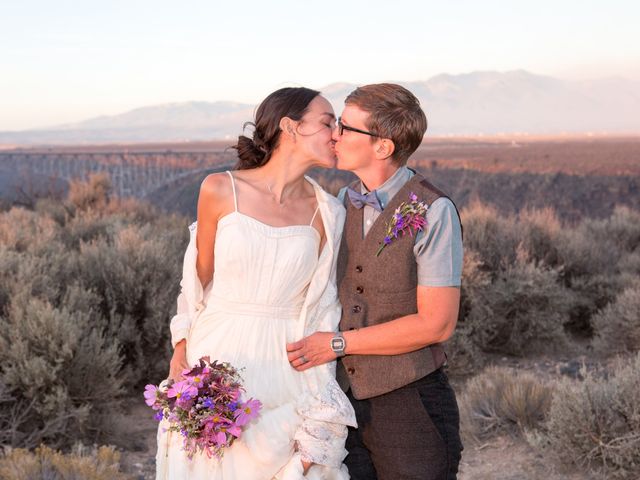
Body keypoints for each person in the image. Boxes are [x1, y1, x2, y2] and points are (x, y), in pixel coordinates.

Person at [155, 87, 356, 480]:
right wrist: (181, 345)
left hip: (286, 367)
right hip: (216, 356)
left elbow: (323, 305)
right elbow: (195, 283)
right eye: (328, 122)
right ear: (290, 127)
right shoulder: (219, 189)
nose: (336, 134)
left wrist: (321, 388)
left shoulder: (329, 212)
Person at [287, 83, 464, 479]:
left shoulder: (434, 211)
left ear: (383, 146)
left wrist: (335, 344)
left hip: (410, 403)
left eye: (347, 128)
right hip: (343, 403)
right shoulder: (338, 205)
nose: (335, 135)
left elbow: (437, 323)